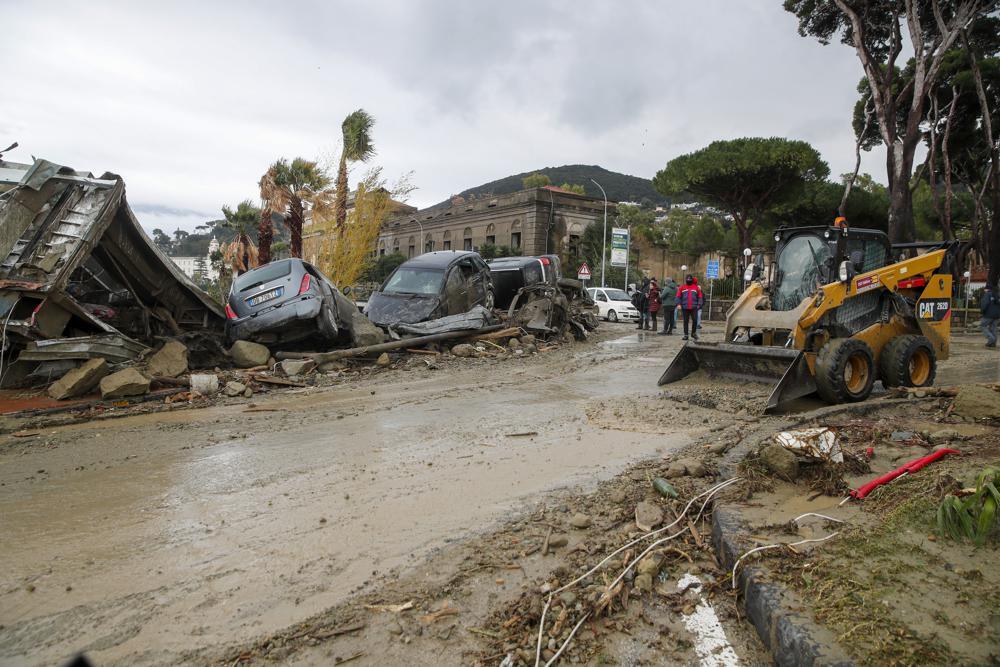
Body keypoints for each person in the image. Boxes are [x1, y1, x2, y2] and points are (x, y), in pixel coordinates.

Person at [676, 274, 703, 340]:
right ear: (686, 280)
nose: (688, 280)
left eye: (690, 279)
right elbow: (678, 296)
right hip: (685, 307)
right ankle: (686, 335)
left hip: (694, 307)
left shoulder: (696, 288)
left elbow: (700, 297)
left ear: (691, 280)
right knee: (685, 321)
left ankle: (693, 333)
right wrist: (678, 304)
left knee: (695, 320)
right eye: (687, 279)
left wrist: (699, 304)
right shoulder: (682, 287)